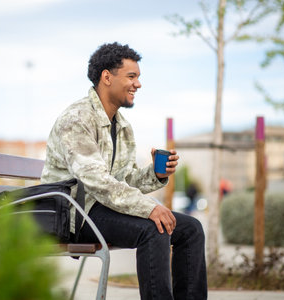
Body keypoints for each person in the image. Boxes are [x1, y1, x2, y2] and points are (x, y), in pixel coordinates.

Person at [41, 42, 207, 300]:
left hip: (102, 208)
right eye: (131, 76)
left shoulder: (122, 126)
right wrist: (149, 208)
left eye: (138, 77)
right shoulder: (76, 119)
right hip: (76, 214)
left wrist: (156, 174)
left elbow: (125, 179)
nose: (138, 84)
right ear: (106, 77)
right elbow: (97, 181)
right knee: (155, 227)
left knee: (191, 228)